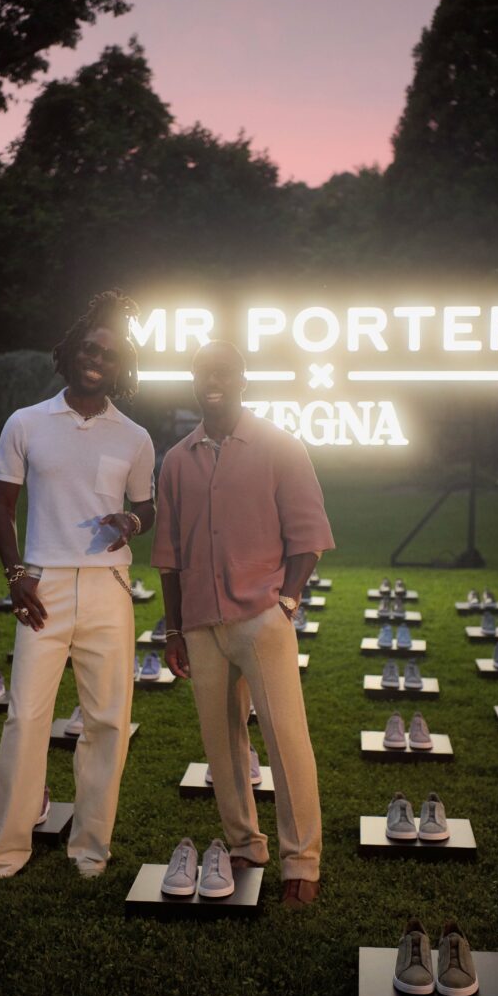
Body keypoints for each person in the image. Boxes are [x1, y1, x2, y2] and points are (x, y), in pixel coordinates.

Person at [152, 340, 334, 908]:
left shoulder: (280, 446)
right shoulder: (176, 460)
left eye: (224, 373)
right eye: (203, 372)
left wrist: (286, 602)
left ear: (243, 380)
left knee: (286, 739)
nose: (213, 382)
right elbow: (169, 555)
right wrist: (174, 630)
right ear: (193, 380)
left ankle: (301, 861)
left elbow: (309, 537)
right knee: (222, 745)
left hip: (261, 619)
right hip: (201, 626)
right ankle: (245, 845)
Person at [0, 291, 155, 885]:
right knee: (26, 717)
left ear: (121, 367)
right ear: (71, 351)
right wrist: (15, 575)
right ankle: (8, 848)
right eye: (90, 348)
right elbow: (2, 506)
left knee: (106, 721)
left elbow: (145, 507)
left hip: (109, 587)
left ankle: (90, 848)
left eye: (109, 354)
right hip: (42, 586)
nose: (97, 359)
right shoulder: (26, 422)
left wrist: (132, 522)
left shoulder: (134, 436)